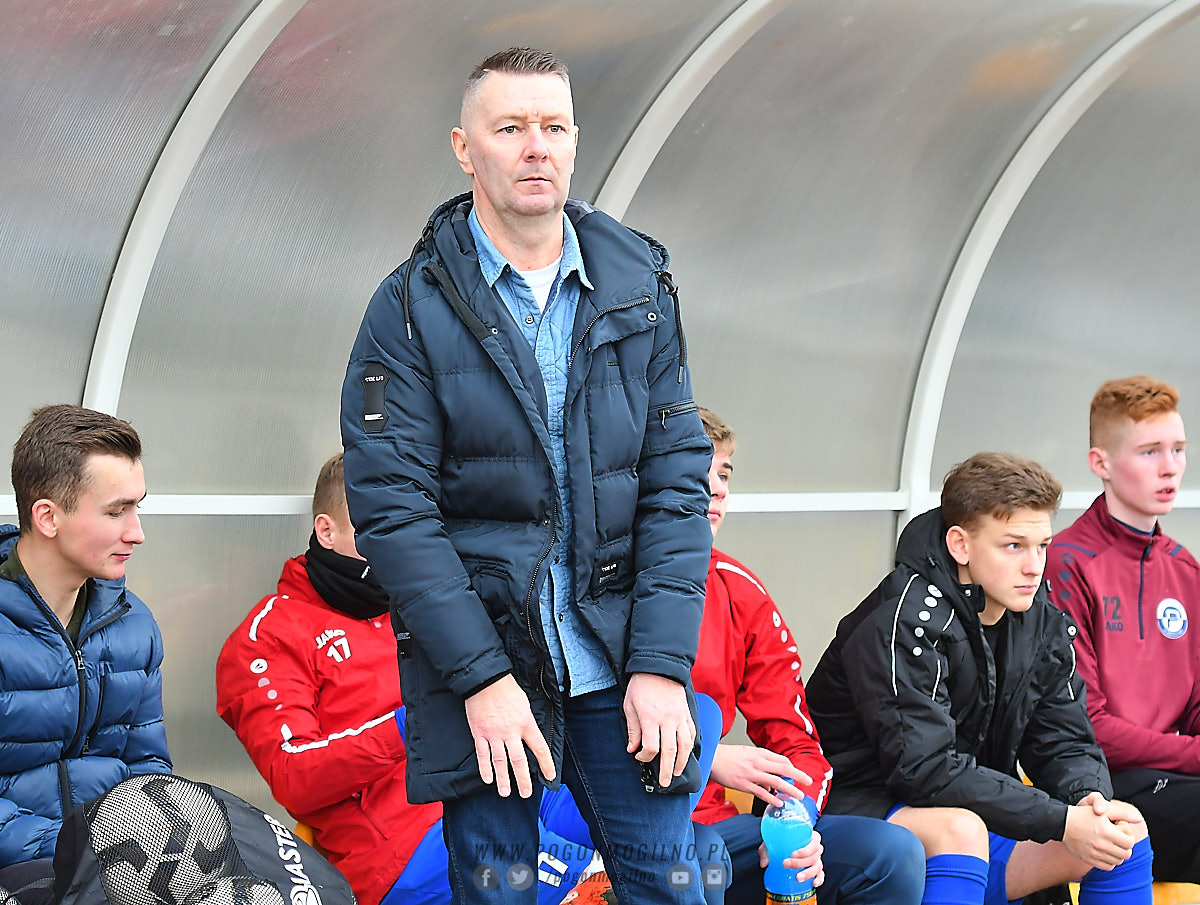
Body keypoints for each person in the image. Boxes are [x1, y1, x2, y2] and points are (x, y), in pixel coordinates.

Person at [339, 47, 713, 905]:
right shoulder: (407, 308)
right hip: (486, 668)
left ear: (575, 141)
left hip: (617, 660)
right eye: (509, 128)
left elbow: (675, 484)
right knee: (498, 889)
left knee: (670, 887)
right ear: (464, 149)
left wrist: (661, 664)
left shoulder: (641, 287)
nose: (535, 146)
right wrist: (480, 678)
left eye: (552, 126)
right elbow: (395, 512)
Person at [215, 454, 597, 905]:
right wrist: (413, 724)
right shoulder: (271, 634)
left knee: (634, 803)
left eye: (399, 525)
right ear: (326, 531)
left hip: (503, 778)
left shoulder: (426, 598)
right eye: (373, 528)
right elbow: (293, 776)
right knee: (569, 884)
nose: (391, 543)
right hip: (406, 841)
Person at [806, 452, 1154, 905]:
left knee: (1123, 833)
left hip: (964, 813)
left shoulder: (1039, 620)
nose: (1034, 566)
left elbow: (1064, 742)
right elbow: (924, 770)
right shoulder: (905, 619)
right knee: (961, 829)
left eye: (1042, 546)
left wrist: (1088, 799)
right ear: (960, 545)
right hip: (851, 815)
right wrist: (1060, 820)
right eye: (1013, 546)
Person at [690, 407, 925, 905]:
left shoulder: (739, 591)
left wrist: (792, 821)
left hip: (717, 831)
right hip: (620, 831)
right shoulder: (598, 589)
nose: (717, 490)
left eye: (724, 474)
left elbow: (795, 742)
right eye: (696, 472)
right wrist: (708, 759)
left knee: (890, 854)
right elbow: (589, 736)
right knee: (701, 862)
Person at [0, 405, 170, 901]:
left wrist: (149, 849)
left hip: (113, 872)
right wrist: (75, 854)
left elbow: (149, 771)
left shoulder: (134, 627)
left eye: (137, 508)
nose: (137, 532)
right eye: (116, 512)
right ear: (47, 517)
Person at [1047, 376, 1200, 882]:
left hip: (1177, 774)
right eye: (1150, 451)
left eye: (1178, 448)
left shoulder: (1185, 568)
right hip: (1102, 786)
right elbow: (1089, 726)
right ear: (1101, 463)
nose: (1170, 466)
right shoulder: (1065, 564)